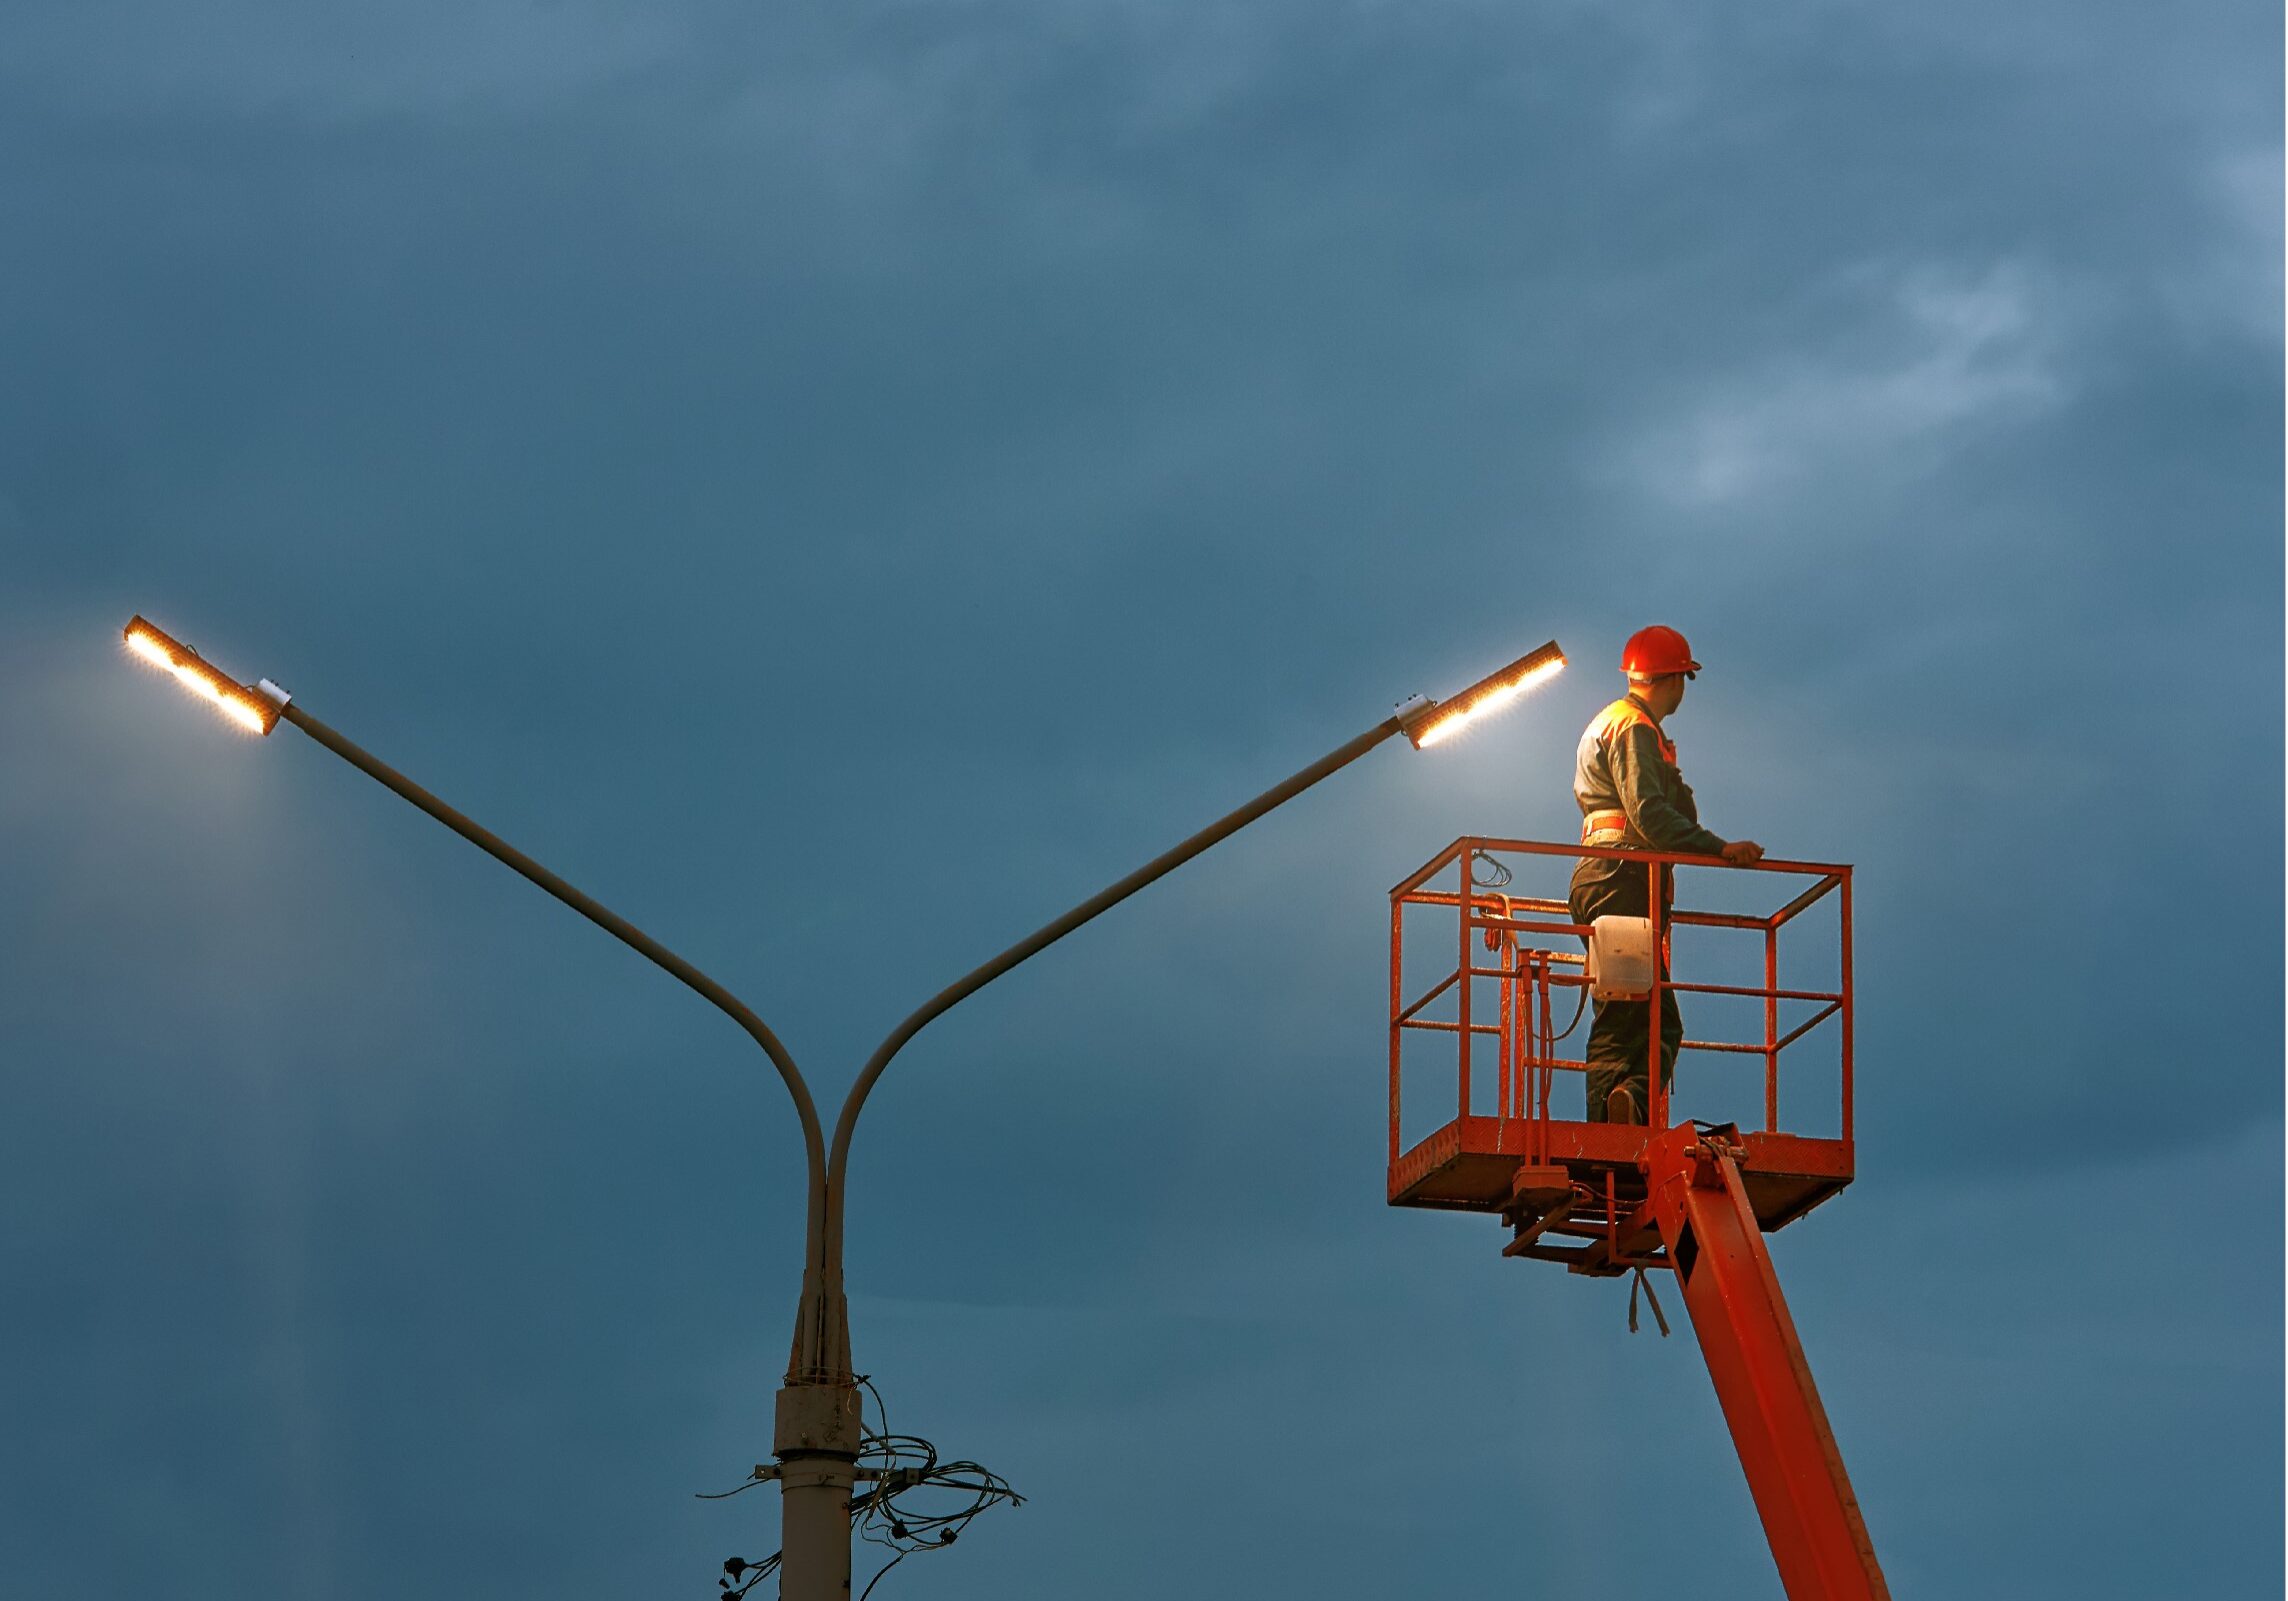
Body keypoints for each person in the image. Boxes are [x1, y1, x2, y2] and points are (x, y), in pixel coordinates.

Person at [1569, 626, 1763, 1125]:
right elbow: (1650, 814)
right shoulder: (1633, 728)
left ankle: (1624, 1109)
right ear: (1674, 679)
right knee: (1640, 1018)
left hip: (1606, 876)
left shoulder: (1612, 722)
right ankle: (1616, 1121)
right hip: (1623, 877)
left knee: (1639, 1012)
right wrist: (1719, 848)